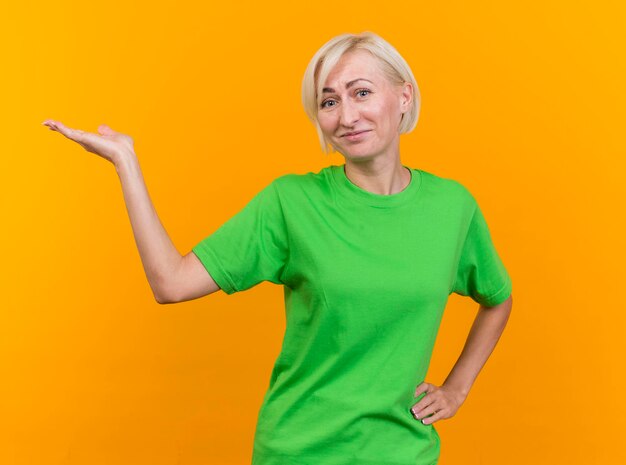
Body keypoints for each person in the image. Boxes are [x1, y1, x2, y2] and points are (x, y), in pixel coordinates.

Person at [42, 31, 513, 465]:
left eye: (361, 92)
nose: (346, 116)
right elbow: (171, 283)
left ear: (403, 95)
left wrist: (456, 390)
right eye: (328, 101)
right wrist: (126, 163)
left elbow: (497, 296)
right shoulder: (292, 203)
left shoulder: (452, 207)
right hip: (299, 451)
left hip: (404, 452)